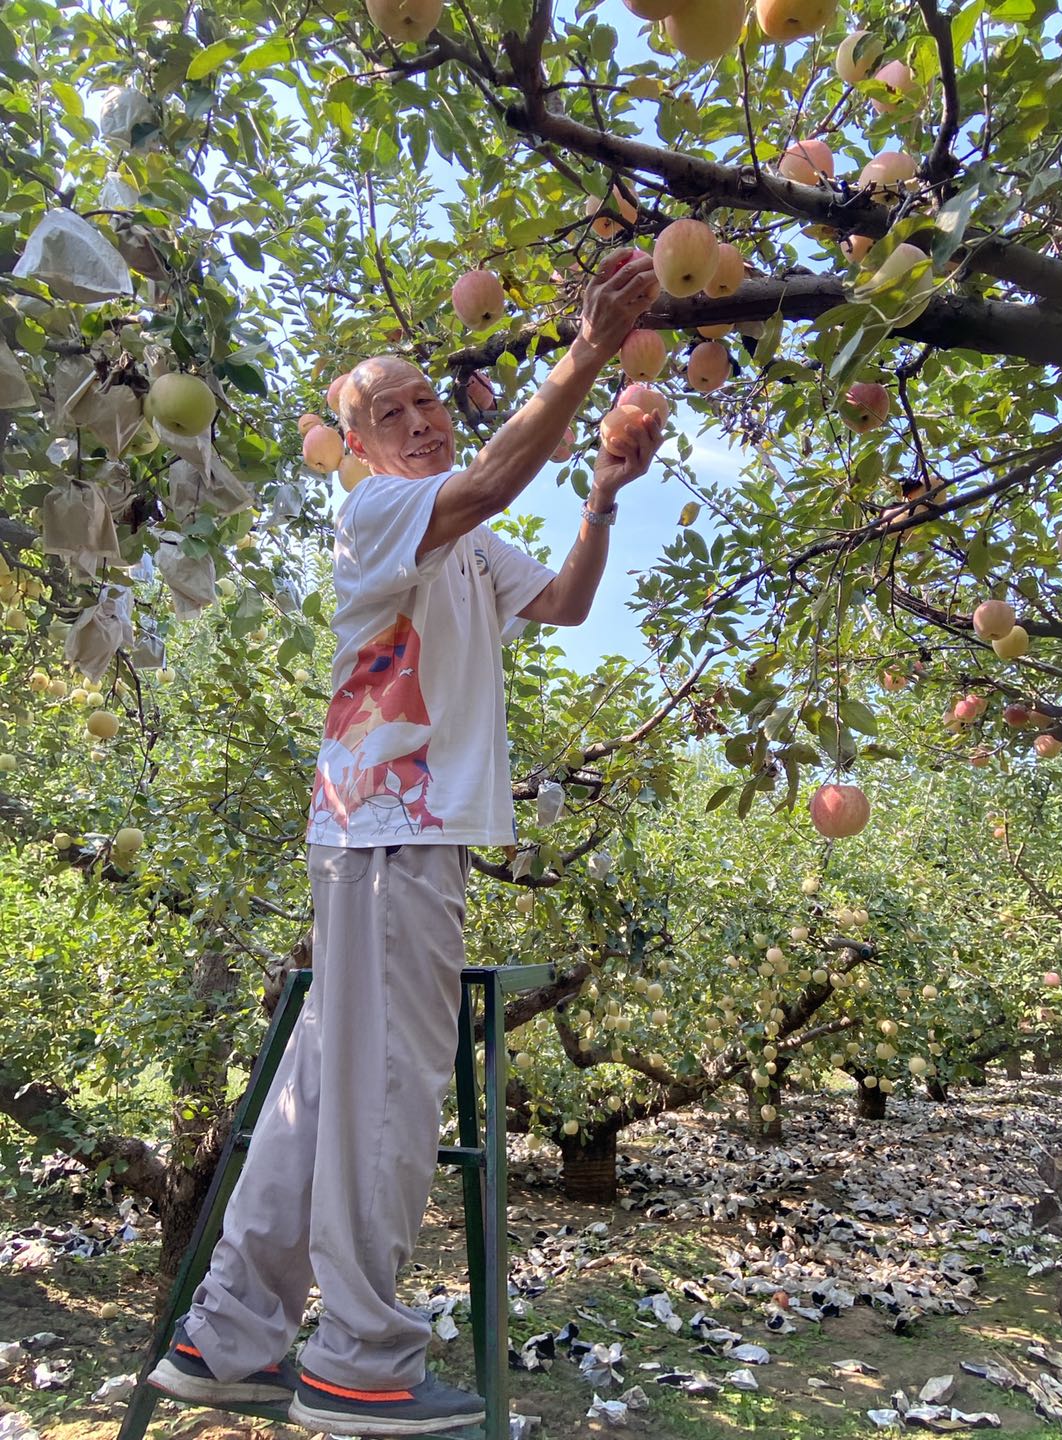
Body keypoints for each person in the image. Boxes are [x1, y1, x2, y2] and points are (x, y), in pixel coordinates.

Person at [147, 251, 663, 1436]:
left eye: (430, 399)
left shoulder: (464, 545)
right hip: (392, 831)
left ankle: (228, 1336)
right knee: (386, 1089)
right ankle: (360, 1360)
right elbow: (487, 484)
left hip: (377, 840)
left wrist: (601, 496)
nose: (423, 417)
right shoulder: (381, 512)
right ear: (357, 446)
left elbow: (567, 603)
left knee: (321, 1089)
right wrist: (589, 352)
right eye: (392, 412)